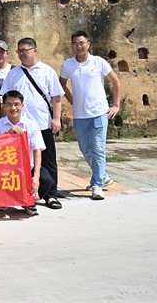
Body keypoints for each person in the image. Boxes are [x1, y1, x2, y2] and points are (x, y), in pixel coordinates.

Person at [0, 37, 64, 209]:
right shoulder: (13, 73)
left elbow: (56, 97)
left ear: (34, 51)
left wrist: (56, 118)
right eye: (19, 50)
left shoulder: (47, 71)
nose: (22, 53)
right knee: (19, 161)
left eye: (25, 50)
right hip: (19, 127)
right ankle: (23, 194)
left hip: (42, 124)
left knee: (48, 160)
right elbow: (4, 98)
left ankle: (51, 195)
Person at [59, 30, 122, 201]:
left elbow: (116, 82)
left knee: (98, 148)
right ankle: (103, 176)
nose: (78, 46)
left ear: (88, 44)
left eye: (81, 43)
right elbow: (61, 84)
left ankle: (97, 185)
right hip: (80, 115)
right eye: (75, 44)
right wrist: (72, 100)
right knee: (85, 149)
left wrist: (116, 105)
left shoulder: (98, 62)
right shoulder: (67, 65)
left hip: (99, 113)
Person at [0, 90, 50, 217]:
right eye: (9, 104)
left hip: (27, 169)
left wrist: (36, 177)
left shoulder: (32, 125)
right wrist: (8, 134)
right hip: (4, 169)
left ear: (22, 106)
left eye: (16, 104)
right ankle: (4, 199)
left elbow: (37, 151)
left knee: (46, 180)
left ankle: (29, 202)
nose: (13, 108)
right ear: (3, 106)